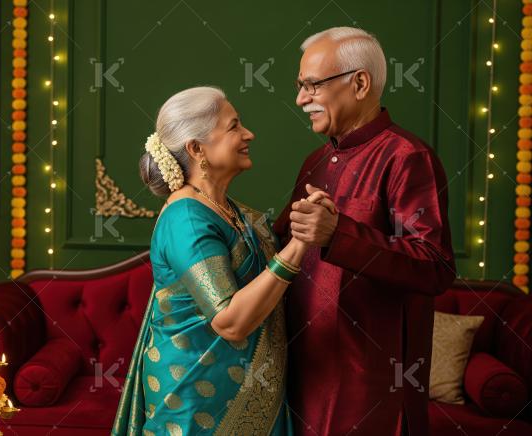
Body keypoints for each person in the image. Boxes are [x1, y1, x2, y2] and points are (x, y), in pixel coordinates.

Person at [113, 86, 334, 435]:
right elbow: (230, 322)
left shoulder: (229, 211)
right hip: (195, 400)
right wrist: (298, 245)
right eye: (234, 126)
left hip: (245, 387)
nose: (249, 134)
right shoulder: (187, 219)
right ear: (196, 148)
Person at [274, 27, 456, 436]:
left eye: (311, 86)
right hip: (305, 373)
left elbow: (435, 266)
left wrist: (340, 234)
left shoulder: (408, 157)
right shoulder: (314, 161)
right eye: (299, 86)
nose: (301, 99)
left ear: (359, 83)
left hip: (371, 390)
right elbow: (286, 243)